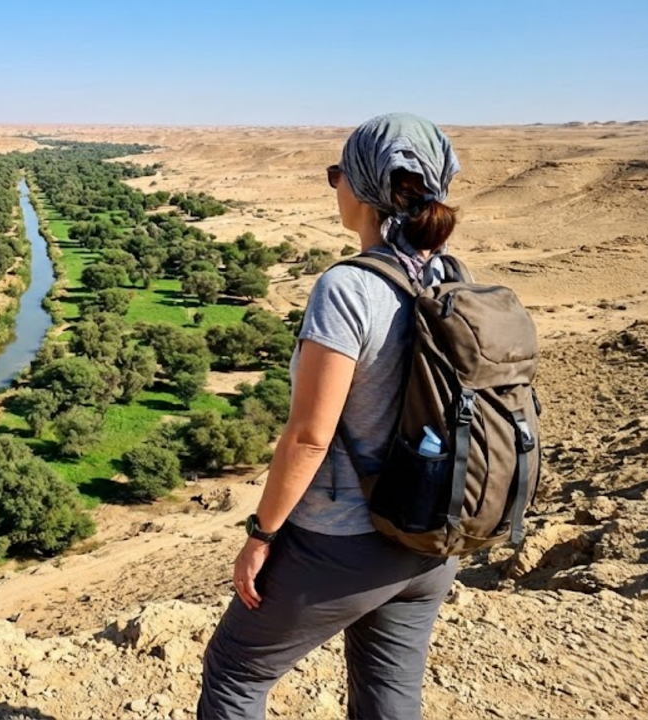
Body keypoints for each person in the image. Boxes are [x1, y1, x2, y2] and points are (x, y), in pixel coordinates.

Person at [197, 113, 463, 720]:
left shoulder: (349, 287)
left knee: (234, 675)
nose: (333, 185)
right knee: (389, 695)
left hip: (346, 542)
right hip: (430, 538)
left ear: (365, 186)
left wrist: (260, 536)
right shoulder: (448, 276)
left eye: (337, 173)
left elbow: (310, 436)